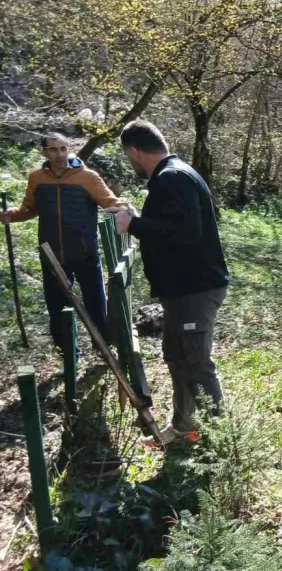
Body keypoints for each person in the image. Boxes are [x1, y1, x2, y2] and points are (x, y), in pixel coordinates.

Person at [113, 120, 229, 445]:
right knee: (179, 358)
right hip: (183, 288)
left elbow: (186, 232)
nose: (130, 162)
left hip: (194, 288)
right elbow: (174, 224)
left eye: (128, 157)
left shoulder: (171, 177)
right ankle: (184, 429)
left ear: (135, 151)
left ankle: (222, 440)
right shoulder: (174, 174)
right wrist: (140, 220)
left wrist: (134, 225)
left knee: (195, 362)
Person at [0, 133, 127, 354]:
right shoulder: (37, 178)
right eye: (53, 149)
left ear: (68, 149)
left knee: (96, 304)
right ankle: (68, 353)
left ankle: (104, 348)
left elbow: (110, 202)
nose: (59, 154)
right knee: (57, 307)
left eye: (62, 148)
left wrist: (127, 209)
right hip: (52, 254)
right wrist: (12, 215)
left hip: (85, 252)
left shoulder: (87, 177)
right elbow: (30, 209)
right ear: (44, 152)